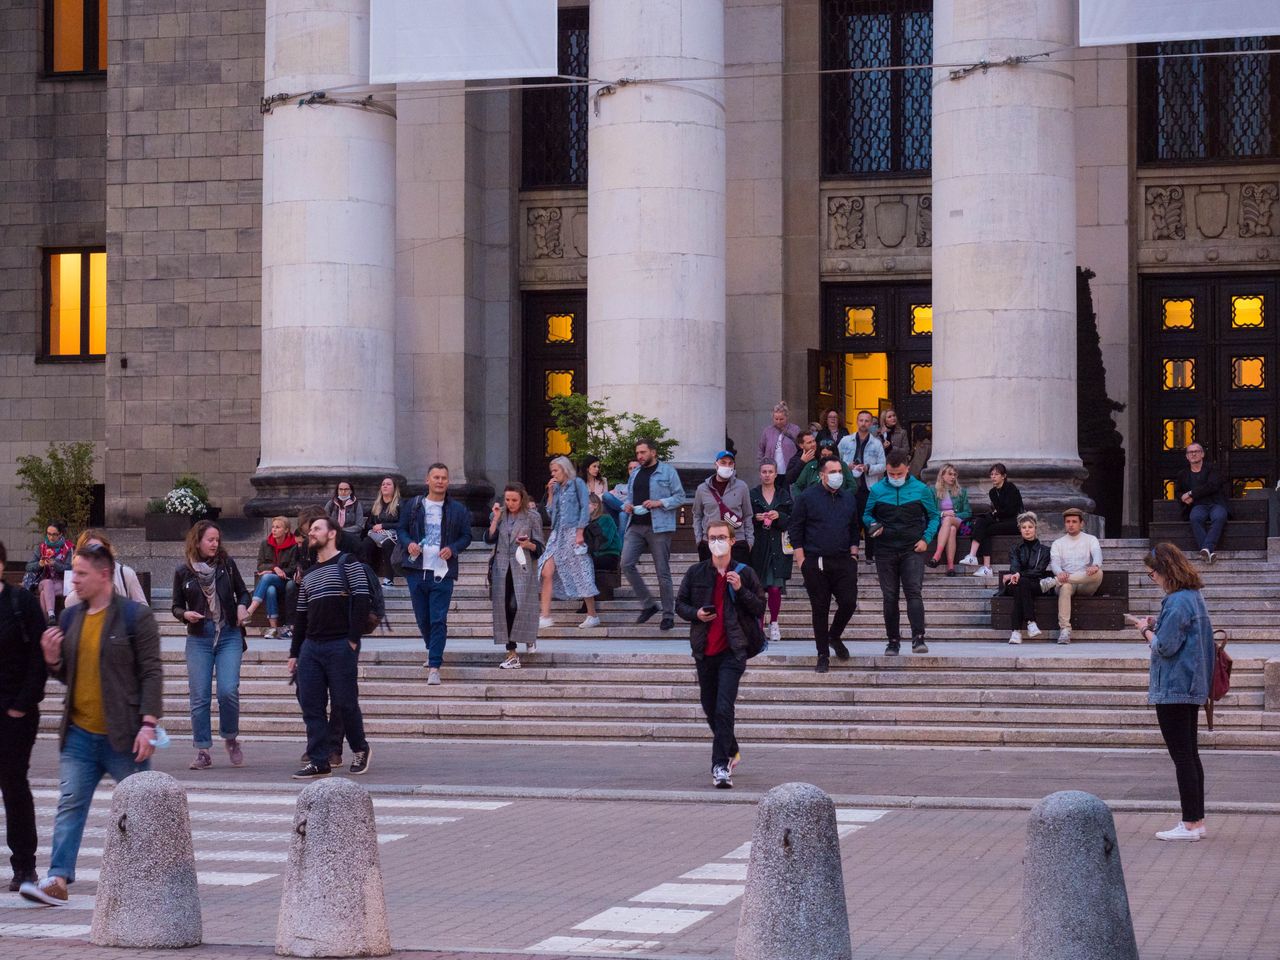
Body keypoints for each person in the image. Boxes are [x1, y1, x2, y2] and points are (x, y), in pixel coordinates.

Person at [19, 543, 161, 906]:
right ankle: (57, 879)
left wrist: (149, 724)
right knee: (70, 803)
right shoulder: (70, 617)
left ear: (103, 575)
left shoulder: (135, 617)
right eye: (74, 574)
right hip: (80, 733)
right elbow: (69, 675)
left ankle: (153, 881)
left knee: (139, 809)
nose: (74, 581)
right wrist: (53, 660)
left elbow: (151, 672)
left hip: (124, 734)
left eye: (81, 574)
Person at [1134, 543, 1215, 841]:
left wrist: (1145, 630)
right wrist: (1158, 623)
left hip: (1174, 685)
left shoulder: (1177, 601)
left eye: (1152, 573)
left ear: (1165, 570)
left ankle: (1190, 823)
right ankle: (1197, 820)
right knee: (1190, 754)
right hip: (1191, 683)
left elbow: (1165, 646)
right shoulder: (1194, 596)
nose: (1153, 578)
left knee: (1182, 756)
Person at [675, 519, 765, 789]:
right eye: (712, 537)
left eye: (722, 537)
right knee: (709, 706)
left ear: (732, 541)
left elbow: (759, 607)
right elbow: (680, 604)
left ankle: (720, 765)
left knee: (724, 707)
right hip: (705, 650)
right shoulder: (696, 572)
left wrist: (740, 590)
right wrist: (696, 614)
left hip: (733, 650)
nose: (717, 542)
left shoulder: (745, 573)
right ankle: (731, 747)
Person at [287, 516, 373, 779]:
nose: (311, 533)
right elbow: (301, 615)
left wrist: (353, 639)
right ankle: (319, 760)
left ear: (332, 533)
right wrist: (294, 652)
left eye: (317, 529)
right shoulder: (310, 574)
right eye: (310, 530)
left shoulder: (349, 563)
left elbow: (362, 599)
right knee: (311, 705)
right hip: (311, 647)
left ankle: (360, 748)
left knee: (345, 703)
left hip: (340, 644)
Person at [171, 521, 249, 770]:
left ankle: (231, 738)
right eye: (210, 540)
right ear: (197, 542)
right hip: (199, 637)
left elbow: (243, 593)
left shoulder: (227, 565)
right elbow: (175, 606)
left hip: (228, 633)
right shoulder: (183, 571)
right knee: (200, 695)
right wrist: (185, 615)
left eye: (217, 539)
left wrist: (241, 606)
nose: (215, 544)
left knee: (228, 690)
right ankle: (203, 750)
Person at [397, 463, 473, 685]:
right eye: (436, 477)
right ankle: (433, 649)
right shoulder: (413, 505)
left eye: (444, 478)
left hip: (442, 571)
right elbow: (401, 529)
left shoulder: (457, 509)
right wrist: (409, 543)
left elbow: (466, 536)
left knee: (438, 619)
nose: (440, 481)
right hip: (416, 570)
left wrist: (453, 548)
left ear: (448, 482)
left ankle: (434, 666)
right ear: (427, 480)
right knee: (423, 618)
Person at [0, 540, 46, 894]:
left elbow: (39, 659)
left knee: (13, 785)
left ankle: (25, 867)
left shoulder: (20, 603)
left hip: (15, 713)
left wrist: (23, 704)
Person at [863, 449, 940, 656]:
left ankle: (918, 637)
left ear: (907, 469)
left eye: (899, 473)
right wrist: (873, 525)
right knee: (889, 596)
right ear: (886, 471)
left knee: (913, 591)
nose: (895, 477)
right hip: (885, 549)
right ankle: (893, 641)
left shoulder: (921, 489)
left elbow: (934, 516)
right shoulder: (877, 490)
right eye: (891, 474)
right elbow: (866, 514)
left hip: (912, 548)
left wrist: (926, 539)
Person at [788, 458, 861, 672]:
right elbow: (795, 528)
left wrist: (854, 555)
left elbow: (854, 527)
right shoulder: (807, 497)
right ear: (822, 475)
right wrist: (801, 560)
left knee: (848, 603)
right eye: (833, 471)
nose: (837, 475)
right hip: (816, 562)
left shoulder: (848, 498)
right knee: (820, 609)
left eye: (840, 471)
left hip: (843, 561)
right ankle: (823, 654)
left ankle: (834, 636)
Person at [621, 438, 686, 631]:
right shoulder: (635, 473)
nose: (639, 456)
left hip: (659, 527)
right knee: (626, 563)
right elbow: (630, 497)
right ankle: (648, 604)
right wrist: (628, 506)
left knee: (662, 571)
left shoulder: (667, 471)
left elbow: (680, 497)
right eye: (637, 453)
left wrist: (659, 502)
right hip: (635, 524)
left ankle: (668, 615)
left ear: (653, 452)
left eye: (643, 452)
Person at [486, 484, 544, 669]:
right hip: (501, 567)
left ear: (522, 499)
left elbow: (540, 547)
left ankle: (528, 635)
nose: (510, 503)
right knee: (504, 608)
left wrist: (528, 544)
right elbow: (488, 539)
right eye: (507, 500)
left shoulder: (532, 516)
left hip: (522, 566)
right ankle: (511, 652)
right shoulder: (499, 514)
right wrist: (495, 519)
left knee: (516, 605)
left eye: (514, 500)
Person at [538, 457, 599, 630]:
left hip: (573, 532)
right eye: (552, 471)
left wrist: (580, 531)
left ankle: (592, 614)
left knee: (580, 571)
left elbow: (585, 508)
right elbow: (551, 513)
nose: (553, 474)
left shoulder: (577, 483)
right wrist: (551, 494)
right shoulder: (557, 488)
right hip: (557, 534)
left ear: (564, 469)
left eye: (555, 470)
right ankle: (545, 615)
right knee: (546, 570)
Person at [1043, 507, 1103, 645]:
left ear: (1081, 523)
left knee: (1099, 572)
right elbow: (1055, 563)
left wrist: (1095, 565)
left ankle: (1054, 582)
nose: (1071, 524)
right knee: (1065, 587)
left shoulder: (1091, 539)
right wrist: (1059, 573)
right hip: (1066, 582)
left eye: (1074, 521)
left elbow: (1097, 553)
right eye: (1068, 521)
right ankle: (1065, 630)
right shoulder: (1058, 543)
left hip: (1084, 583)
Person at [749, 461, 793, 645]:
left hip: (778, 546)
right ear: (760, 474)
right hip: (758, 546)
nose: (767, 475)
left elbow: (792, 519)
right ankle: (758, 625)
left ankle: (774, 622)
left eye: (770, 472)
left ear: (776, 474)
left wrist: (779, 516)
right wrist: (755, 518)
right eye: (764, 471)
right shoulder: (752, 494)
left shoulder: (784, 495)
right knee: (758, 589)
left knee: (775, 588)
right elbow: (744, 517)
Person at [959, 463, 1024, 576]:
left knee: (985, 528)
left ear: (1003, 476)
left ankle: (983, 564)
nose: (993, 477)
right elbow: (1001, 511)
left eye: (996, 474)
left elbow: (1011, 510)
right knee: (981, 521)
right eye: (992, 474)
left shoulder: (1010, 488)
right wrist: (996, 514)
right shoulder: (992, 492)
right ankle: (975, 558)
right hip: (1002, 520)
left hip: (1015, 522)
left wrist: (996, 514)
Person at [839, 410, 887, 560]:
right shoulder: (846, 441)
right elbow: (836, 460)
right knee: (849, 520)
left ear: (871, 423)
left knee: (869, 520)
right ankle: (848, 552)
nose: (864, 423)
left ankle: (869, 555)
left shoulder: (876, 443)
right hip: (848, 486)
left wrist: (868, 468)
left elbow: (883, 466)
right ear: (857, 421)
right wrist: (847, 466)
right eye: (861, 420)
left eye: (867, 421)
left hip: (868, 487)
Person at [692, 451, 754, 564]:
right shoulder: (702, 489)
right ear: (716, 464)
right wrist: (699, 540)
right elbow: (697, 515)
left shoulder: (742, 487)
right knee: (710, 575)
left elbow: (747, 515)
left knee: (736, 575)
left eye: (730, 463)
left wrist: (749, 541)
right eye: (723, 463)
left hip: (736, 542)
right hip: (710, 542)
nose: (727, 466)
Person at [243, 517, 299, 639]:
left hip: (286, 581)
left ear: (286, 530)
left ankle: (250, 610)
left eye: (278, 527)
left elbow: (292, 568)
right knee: (270, 590)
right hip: (272, 581)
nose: (274, 530)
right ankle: (273, 628)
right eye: (273, 527)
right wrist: (274, 568)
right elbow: (260, 565)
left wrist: (275, 571)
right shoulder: (265, 544)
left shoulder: (294, 545)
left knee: (267, 577)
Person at [1001, 512, 1052, 644]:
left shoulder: (1045, 550)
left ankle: (1016, 631)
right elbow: (1014, 567)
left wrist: (1019, 574)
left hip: (1035, 584)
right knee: (1021, 585)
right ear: (1020, 530)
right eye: (1024, 527)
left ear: (1035, 528)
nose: (1027, 530)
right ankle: (1031, 622)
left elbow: (1038, 571)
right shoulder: (1015, 549)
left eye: (1030, 527)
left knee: (1022, 583)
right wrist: (1016, 574)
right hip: (1016, 583)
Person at [1175, 443, 1228, 563]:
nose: (1193, 454)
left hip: (1216, 504)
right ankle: (1208, 551)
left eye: (1196, 451)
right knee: (1195, 518)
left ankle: (1206, 549)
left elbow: (1211, 486)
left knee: (1219, 517)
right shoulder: (1183, 474)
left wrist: (1191, 493)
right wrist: (1183, 497)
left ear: (1202, 454)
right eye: (1190, 452)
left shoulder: (1213, 469)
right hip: (1198, 505)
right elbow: (1178, 492)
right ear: (1187, 456)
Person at [64, 530, 147, 607]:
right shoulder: (78, 575)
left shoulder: (125, 573)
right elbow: (69, 603)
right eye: (89, 550)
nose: (95, 553)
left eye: (99, 549)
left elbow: (142, 607)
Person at [24, 521, 73, 625]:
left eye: (54, 534)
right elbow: (28, 566)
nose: (51, 537)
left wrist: (55, 564)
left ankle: (45, 621)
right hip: (43, 581)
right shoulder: (41, 547)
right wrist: (39, 564)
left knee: (44, 593)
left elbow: (70, 567)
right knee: (48, 583)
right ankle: (51, 615)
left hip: (61, 582)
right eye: (49, 534)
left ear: (60, 534)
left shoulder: (68, 548)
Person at [927, 463, 972, 575]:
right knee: (951, 529)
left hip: (958, 522)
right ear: (942, 475)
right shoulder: (933, 491)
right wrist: (943, 513)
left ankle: (937, 555)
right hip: (940, 524)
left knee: (949, 521)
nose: (953, 477)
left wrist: (954, 515)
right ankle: (951, 567)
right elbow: (930, 511)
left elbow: (968, 513)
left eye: (954, 475)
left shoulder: (962, 492)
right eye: (950, 474)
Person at [360, 477, 402, 586]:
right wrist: (375, 527)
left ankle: (389, 578)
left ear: (394, 488)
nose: (385, 486)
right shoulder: (377, 505)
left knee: (388, 544)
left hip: (393, 536)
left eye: (388, 484)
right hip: (377, 535)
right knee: (366, 543)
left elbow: (402, 524)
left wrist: (383, 526)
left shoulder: (400, 504)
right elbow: (368, 524)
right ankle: (367, 576)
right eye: (383, 484)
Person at [758, 402, 800, 474]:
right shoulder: (767, 431)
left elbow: (800, 448)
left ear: (786, 417)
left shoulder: (795, 429)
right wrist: (761, 465)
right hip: (771, 471)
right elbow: (761, 450)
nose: (778, 422)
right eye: (776, 419)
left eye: (781, 419)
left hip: (790, 470)